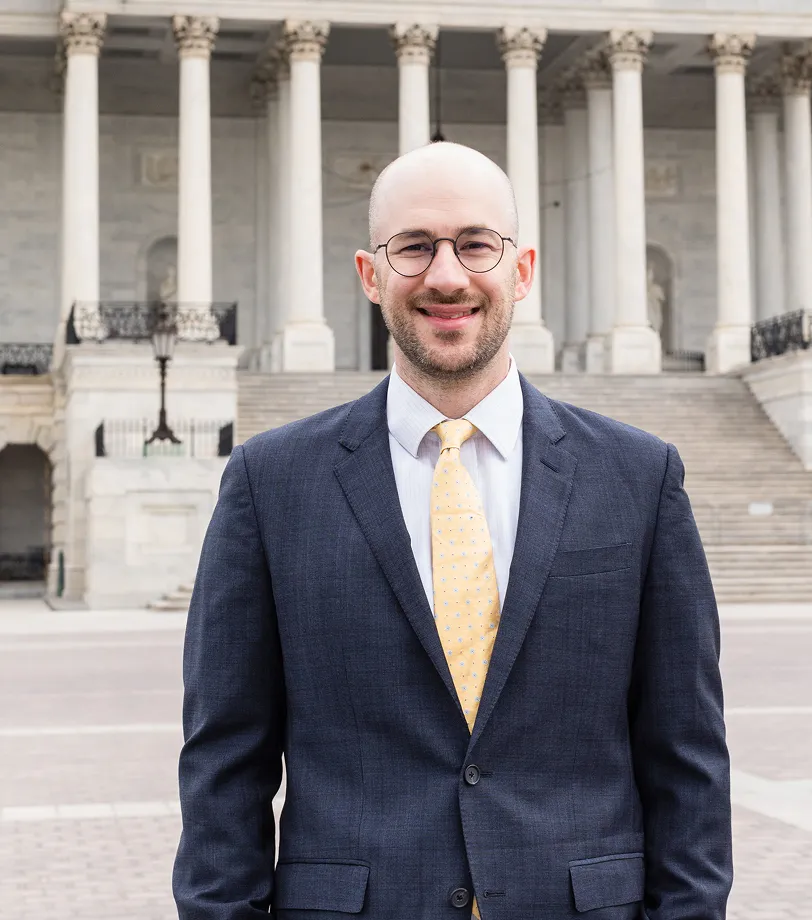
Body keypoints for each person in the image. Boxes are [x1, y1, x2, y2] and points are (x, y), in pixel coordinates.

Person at [173, 142, 731, 920]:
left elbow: (688, 754)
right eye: (414, 247)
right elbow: (224, 761)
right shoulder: (271, 483)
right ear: (371, 275)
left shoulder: (639, 478)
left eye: (475, 244)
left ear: (522, 270)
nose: (445, 275)